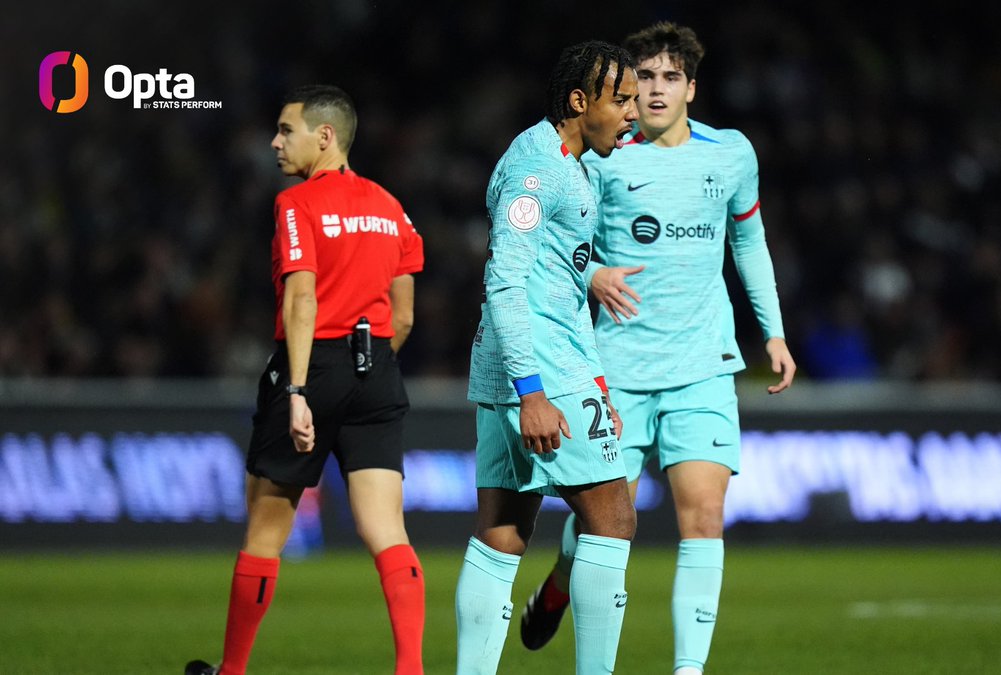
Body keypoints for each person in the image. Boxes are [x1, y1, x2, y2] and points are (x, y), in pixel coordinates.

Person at [519, 22, 797, 675]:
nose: (655, 89)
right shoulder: (602, 157)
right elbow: (554, 243)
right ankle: (561, 577)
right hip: (614, 368)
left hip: (703, 365)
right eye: (643, 77)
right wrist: (593, 275)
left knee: (703, 514)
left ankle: (688, 669)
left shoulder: (730, 155)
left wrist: (774, 331)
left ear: (692, 87)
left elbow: (748, 242)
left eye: (670, 76)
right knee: (602, 520)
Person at [186, 85, 426, 675]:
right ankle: (411, 668)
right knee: (387, 530)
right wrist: (365, 364)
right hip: (378, 370)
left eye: (285, 129)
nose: (275, 141)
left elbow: (302, 299)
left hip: (312, 365)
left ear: (324, 137)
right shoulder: (392, 207)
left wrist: (298, 390)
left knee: (266, 528)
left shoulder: (298, 203)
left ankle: (234, 671)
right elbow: (404, 316)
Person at [454, 41, 640, 675]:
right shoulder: (536, 167)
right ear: (579, 101)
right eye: (622, 101)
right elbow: (505, 280)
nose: (633, 115)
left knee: (503, 534)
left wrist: (598, 383)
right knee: (612, 518)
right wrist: (533, 391)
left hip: (532, 368)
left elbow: (561, 277)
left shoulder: (575, 166)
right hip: (538, 371)